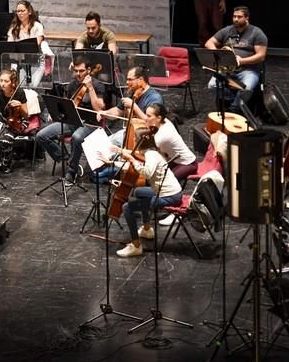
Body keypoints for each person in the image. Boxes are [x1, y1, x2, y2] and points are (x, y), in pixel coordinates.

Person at [36, 56, 106, 184]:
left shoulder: (98, 85)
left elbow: (99, 108)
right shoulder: (73, 84)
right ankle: (66, 158)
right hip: (72, 121)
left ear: (89, 70)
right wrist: (56, 112)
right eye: (76, 71)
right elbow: (67, 104)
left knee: (77, 137)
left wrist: (90, 88)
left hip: (90, 124)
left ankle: (71, 171)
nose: (78, 74)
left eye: (81, 71)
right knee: (41, 135)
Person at [116, 130, 183, 258]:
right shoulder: (152, 152)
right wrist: (121, 151)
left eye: (135, 139)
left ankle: (136, 246)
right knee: (138, 191)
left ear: (142, 141)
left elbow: (146, 173)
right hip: (170, 191)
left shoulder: (151, 155)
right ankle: (147, 229)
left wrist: (131, 159)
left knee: (127, 208)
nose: (134, 141)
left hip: (169, 196)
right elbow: (139, 157)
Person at [205, 6, 267, 113]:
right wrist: (219, 54)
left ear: (247, 18)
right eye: (234, 16)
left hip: (248, 70)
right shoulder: (227, 30)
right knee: (212, 85)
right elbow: (208, 43)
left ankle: (233, 110)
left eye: (239, 17)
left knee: (247, 88)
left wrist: (241, 60)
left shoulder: (256, 33)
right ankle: (231, 99)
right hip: (227, 69)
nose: (236, 19)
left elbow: (261, 56)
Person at [97, 66, 163, 147]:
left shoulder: (154, 98)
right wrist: (105, 113)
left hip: (146, 138)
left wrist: (133, 106)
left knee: (108, 146)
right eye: (127, 79)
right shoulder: (131, 93)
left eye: (130, 79)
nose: (127, 82)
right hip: (130, 132)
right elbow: (118, 111)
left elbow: (152, 124)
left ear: (140, 80)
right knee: (102, 145)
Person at [6, 0, 53, 88]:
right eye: (18, 11)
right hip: (20, 62)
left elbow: (37, 43)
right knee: (21, 87)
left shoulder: (37, 26)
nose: (20, 13)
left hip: (36, 61)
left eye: (22, 11)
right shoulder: (13, 28)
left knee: (32, 86)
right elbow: (10, 46)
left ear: (29, 11)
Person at [0, 68, 28, 173]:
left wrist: (19, 106)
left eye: (6, 81)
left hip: (18, 122)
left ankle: (6, 164)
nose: (2, 84)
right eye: (1, 81)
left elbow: (26, 115)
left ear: (12, 83)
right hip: (4, 120)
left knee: (5, 139)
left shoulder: (20, 93)